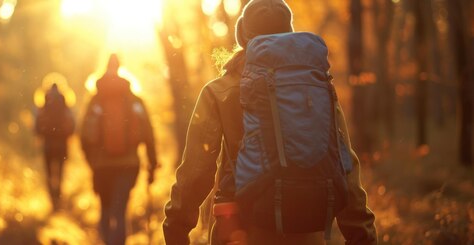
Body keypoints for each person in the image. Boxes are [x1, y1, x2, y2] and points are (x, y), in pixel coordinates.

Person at [163, 0, 377, 244]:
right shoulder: (316, 87)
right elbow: (344, 163)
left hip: (239, 231)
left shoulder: (221, 91)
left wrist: (176, 229)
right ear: (289, 33)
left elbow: (196, 171)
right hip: (307, 231)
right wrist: (361, 234)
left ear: (242, 36)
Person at [81, 54, 158, 245]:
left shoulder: (95, 100)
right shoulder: (134, 100)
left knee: (106, 209)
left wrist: (92, 163)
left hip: (101, 166)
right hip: (128, 164)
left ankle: (107, 241)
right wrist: (153, 163)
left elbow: (83, 136)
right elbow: (148, 133)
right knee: (120, 210)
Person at [35, 83, 75, 211]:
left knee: (49, 173)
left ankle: (52, 200)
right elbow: (72, 125)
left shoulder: (44, 102)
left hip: (48, 144)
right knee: (60, 173)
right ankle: (59, 199)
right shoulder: (65, 102)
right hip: (62, 144)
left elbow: (37, 127)